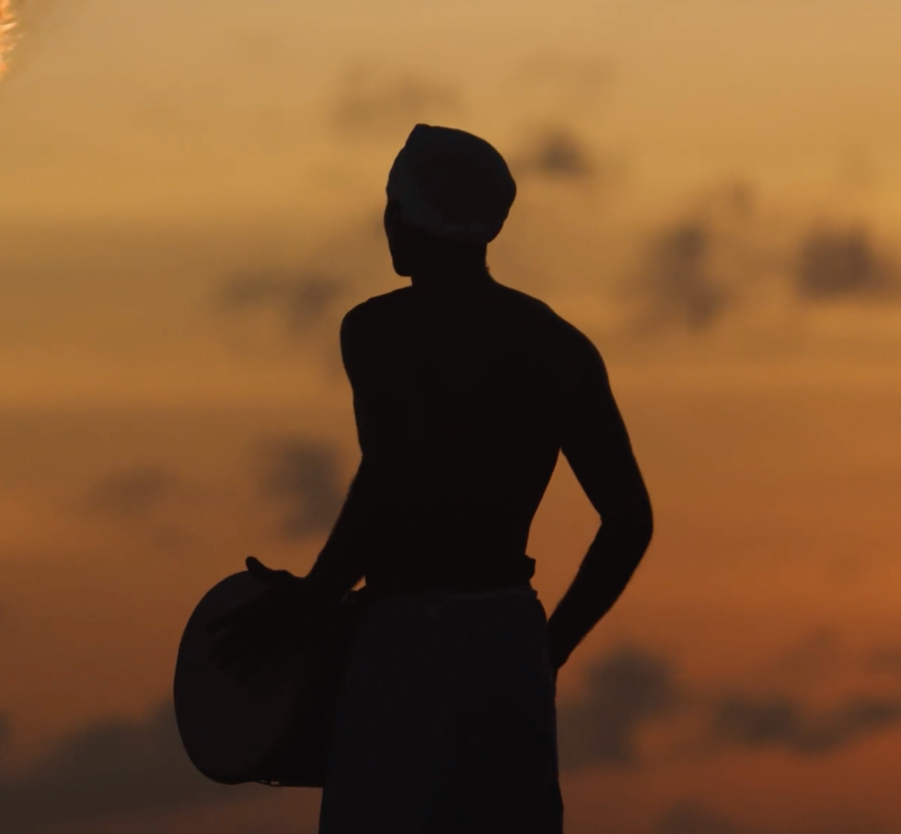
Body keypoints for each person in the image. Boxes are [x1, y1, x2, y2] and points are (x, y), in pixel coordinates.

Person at [215, 125, 653, 833]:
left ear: (402, 218)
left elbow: (391, 478)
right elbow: (629, 521)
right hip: (509, 636)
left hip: (405, 636)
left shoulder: (378, 331)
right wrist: (548, 649)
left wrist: (316, 599)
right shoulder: (559, 345)